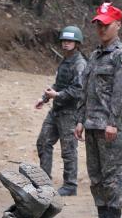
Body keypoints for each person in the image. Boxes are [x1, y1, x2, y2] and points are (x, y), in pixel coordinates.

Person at [75, 3, 122, 218]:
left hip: (110, 125)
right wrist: (80, 119)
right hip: (92, 123)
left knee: (112, 173)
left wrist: (113, 122)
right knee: (96, 173)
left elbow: (121, 93)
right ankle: (102, 216)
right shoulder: (95, 55)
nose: (101, 28)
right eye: (98, 24)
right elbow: (85, 89)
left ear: (117, 25)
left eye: (106, 24)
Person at [35, 25, 87, 197]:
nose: (66, 44)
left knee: (68, 150)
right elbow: (59, 84)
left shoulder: (80, 64)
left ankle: (70, 185)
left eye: (70, 41)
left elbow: (78, 91)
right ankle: (44, 182)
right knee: (43, 142)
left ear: (77, 43)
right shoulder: (65, 61)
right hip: (57, 109)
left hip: (70, 112)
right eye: (64, 40)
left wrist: (56, 95)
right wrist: (44, 98)